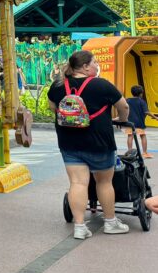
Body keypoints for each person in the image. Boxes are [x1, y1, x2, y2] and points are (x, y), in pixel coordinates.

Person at [48, 50, 130, 239]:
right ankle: (110, 222)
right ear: (85, 66)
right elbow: (123, 106)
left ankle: (79, 227)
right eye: (94, 62)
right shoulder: (102, 85)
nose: (96, 65)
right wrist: (121, 120)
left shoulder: (59, 85)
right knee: (104, 182)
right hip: (99, 142)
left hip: (69, 142)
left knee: (77, 183)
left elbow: (53, 107)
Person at [125, 85, 156, 159]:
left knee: (130, 136)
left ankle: (129, 152)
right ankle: (144, 153)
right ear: (141, 93)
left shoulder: (127, 100)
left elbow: (124, 109)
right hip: (139, 123)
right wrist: (155, 117)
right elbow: (146, 112)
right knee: (143, 136)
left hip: (129, 123)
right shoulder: (142, 101)